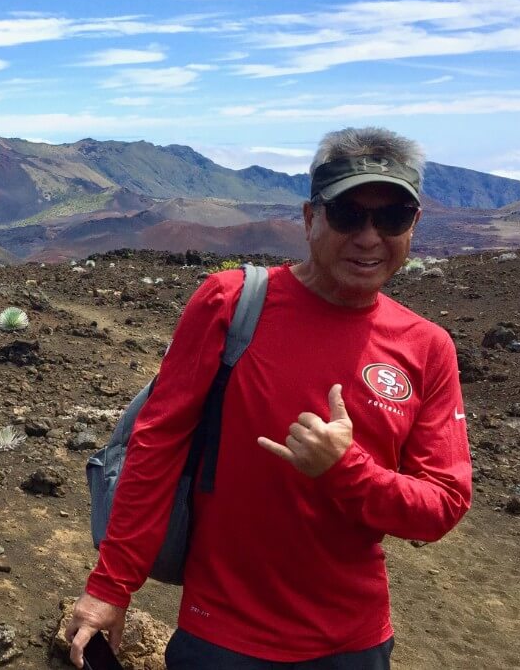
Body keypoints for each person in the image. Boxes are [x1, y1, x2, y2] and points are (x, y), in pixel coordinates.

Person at [66, 127, 472, 669]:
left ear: (414, 226)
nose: (369, 236)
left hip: (352, 643)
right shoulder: (231, 304)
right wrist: (111, 587)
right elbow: (156, 447)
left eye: (392, 217)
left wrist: (344, 469)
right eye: (348, 214)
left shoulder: (427, 348)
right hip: (222, 636)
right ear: (310, 220)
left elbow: (442, 506)